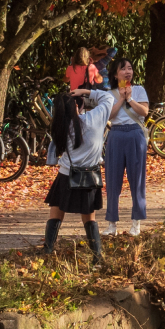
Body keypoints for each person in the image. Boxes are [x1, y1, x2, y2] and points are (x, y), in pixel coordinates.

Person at [42, 83, 117, 266]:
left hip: (66, 174)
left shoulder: (60, 126)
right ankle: (97, 257)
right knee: (89, 219)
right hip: (89, 176)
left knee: (56, 214)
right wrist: (85, 91)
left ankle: (47, 251)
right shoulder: (94, 119)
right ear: (77, 106)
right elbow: (108, 98)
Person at [103, 58, 149, 237]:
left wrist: (129, 98)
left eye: (130, 68)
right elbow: (109, 115)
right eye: (123, 69)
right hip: (115, 134)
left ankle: (136, 223)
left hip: (135, 134)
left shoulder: (139, 90)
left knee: (136, 179)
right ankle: (111, 223)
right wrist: (121, 97)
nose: (127, 71)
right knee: (113, 181)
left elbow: (144, 112)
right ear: (115, 74)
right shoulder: (109, 94)